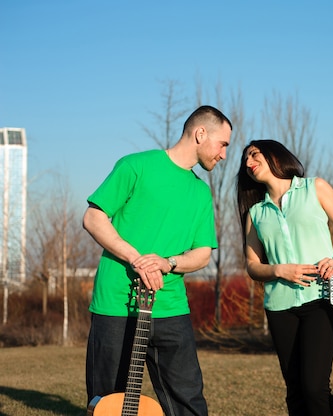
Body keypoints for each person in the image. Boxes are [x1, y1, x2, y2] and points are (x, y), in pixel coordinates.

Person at [83, 105, 232, 416]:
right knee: (107, 403)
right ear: (200, 133)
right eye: (223, 144)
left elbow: (202, 253)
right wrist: (138, 260)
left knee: (188, 402)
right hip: (117, 304)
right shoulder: (135, 166)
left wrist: (168, 263)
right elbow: (94, 218)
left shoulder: (200, 193)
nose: (224, 155)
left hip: (170, 308)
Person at [236, 139, 333, 416]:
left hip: (321, 298)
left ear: (275, 155)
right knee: (296, 390)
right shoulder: (256, 213)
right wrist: (278, 270)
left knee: (314, 387)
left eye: (254, 154)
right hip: (279, 308)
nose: (248, 162)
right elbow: (252, 266)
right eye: (245, 160)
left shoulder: (315, 187)